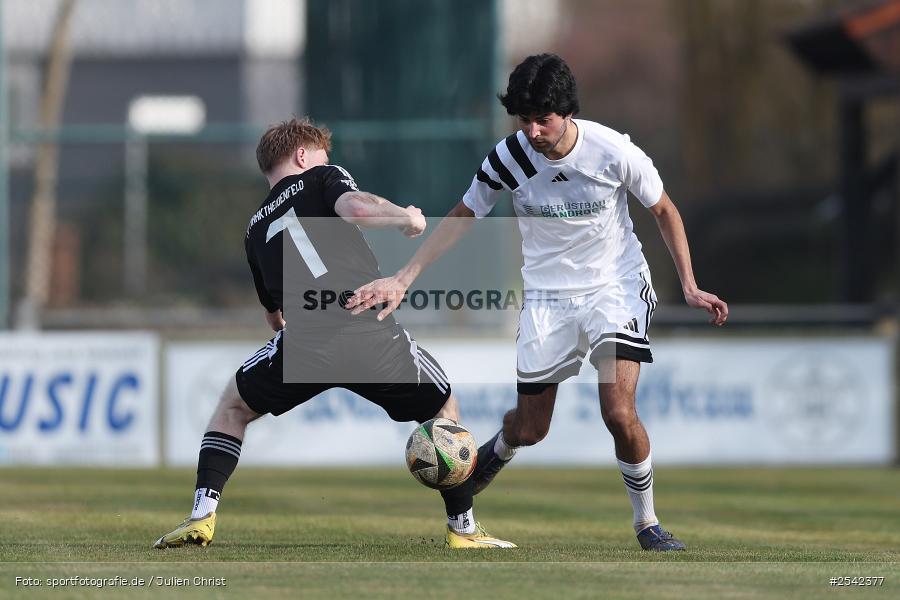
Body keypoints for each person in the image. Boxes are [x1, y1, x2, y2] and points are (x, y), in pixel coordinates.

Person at [346, 54, 728, 551]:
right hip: (547, 297)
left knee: (617, 410)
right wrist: (403, 276)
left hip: (614, 286)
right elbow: (464, 214)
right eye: (523, 120)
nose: (532, 130)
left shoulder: (613, 151)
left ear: (567, 111)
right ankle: (497, 451)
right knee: (530, 428)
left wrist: (690, 285)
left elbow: (664, 210)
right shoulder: (509, 157)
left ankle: (647, 523)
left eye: (542, 119)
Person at [153, 117, 515, 550]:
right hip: (367, 327)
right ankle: (463, 529)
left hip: (305, 342)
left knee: (232, 407)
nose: (328, 163)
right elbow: (357, 208)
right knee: (442, 406)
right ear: (303, 156)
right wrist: (406, 217)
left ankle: (201, 517)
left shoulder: (253, 231)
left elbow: (274, 316)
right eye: (322, 156)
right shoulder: (321, 177)